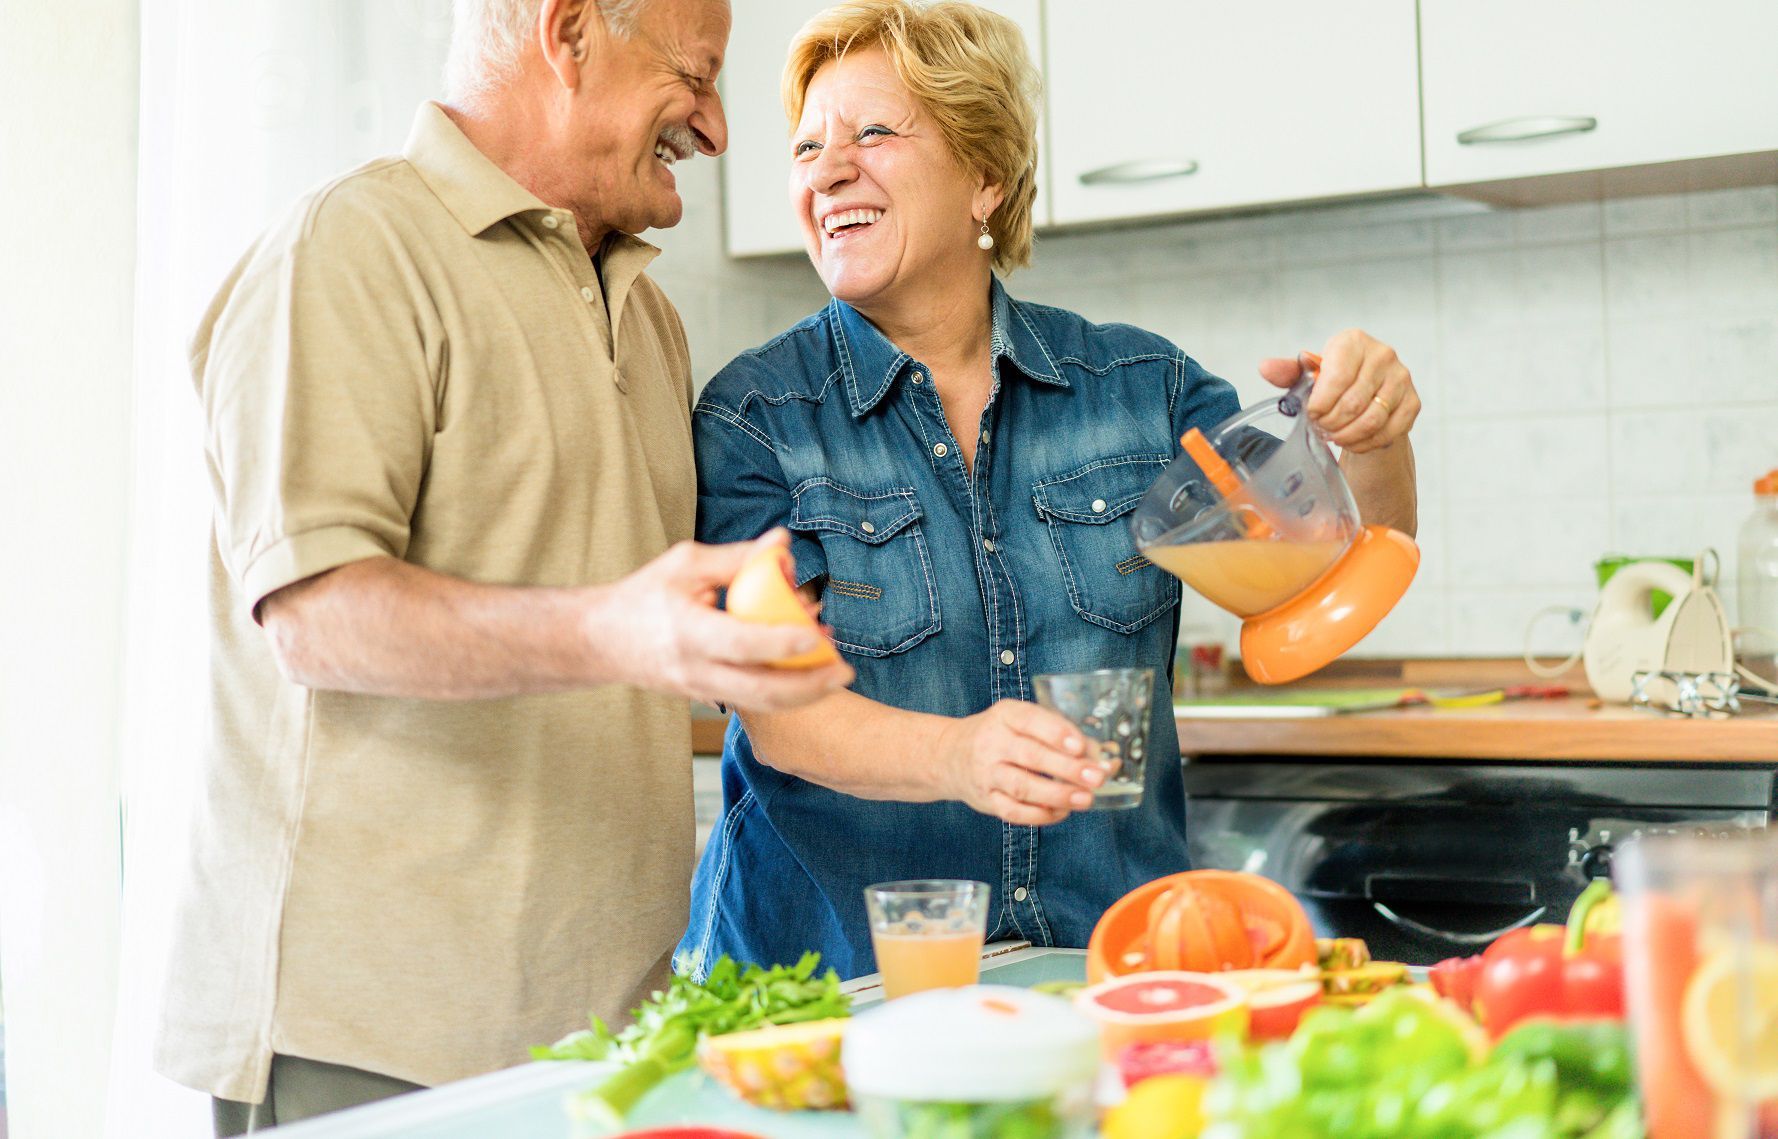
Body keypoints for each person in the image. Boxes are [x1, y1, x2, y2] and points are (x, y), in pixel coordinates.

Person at [159, 0, 853, 1132]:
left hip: (602, 1036)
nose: (720, 130)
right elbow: (317, 615)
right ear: (569, 33)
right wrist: (616, 631)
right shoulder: (353, 246)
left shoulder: (648, 313)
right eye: (697, 75)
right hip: (375, 1037)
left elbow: (600, 599)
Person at [677, 0, 1420, 981]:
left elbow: (1336, 573)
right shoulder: (755, 416)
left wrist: (1364, 429)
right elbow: (772, 708)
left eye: (870, 133)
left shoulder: (1137, 392)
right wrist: (956, 756)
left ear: (984, 175)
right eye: (806, 145)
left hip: (1102, 971)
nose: (826, 167)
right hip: (832, 987)